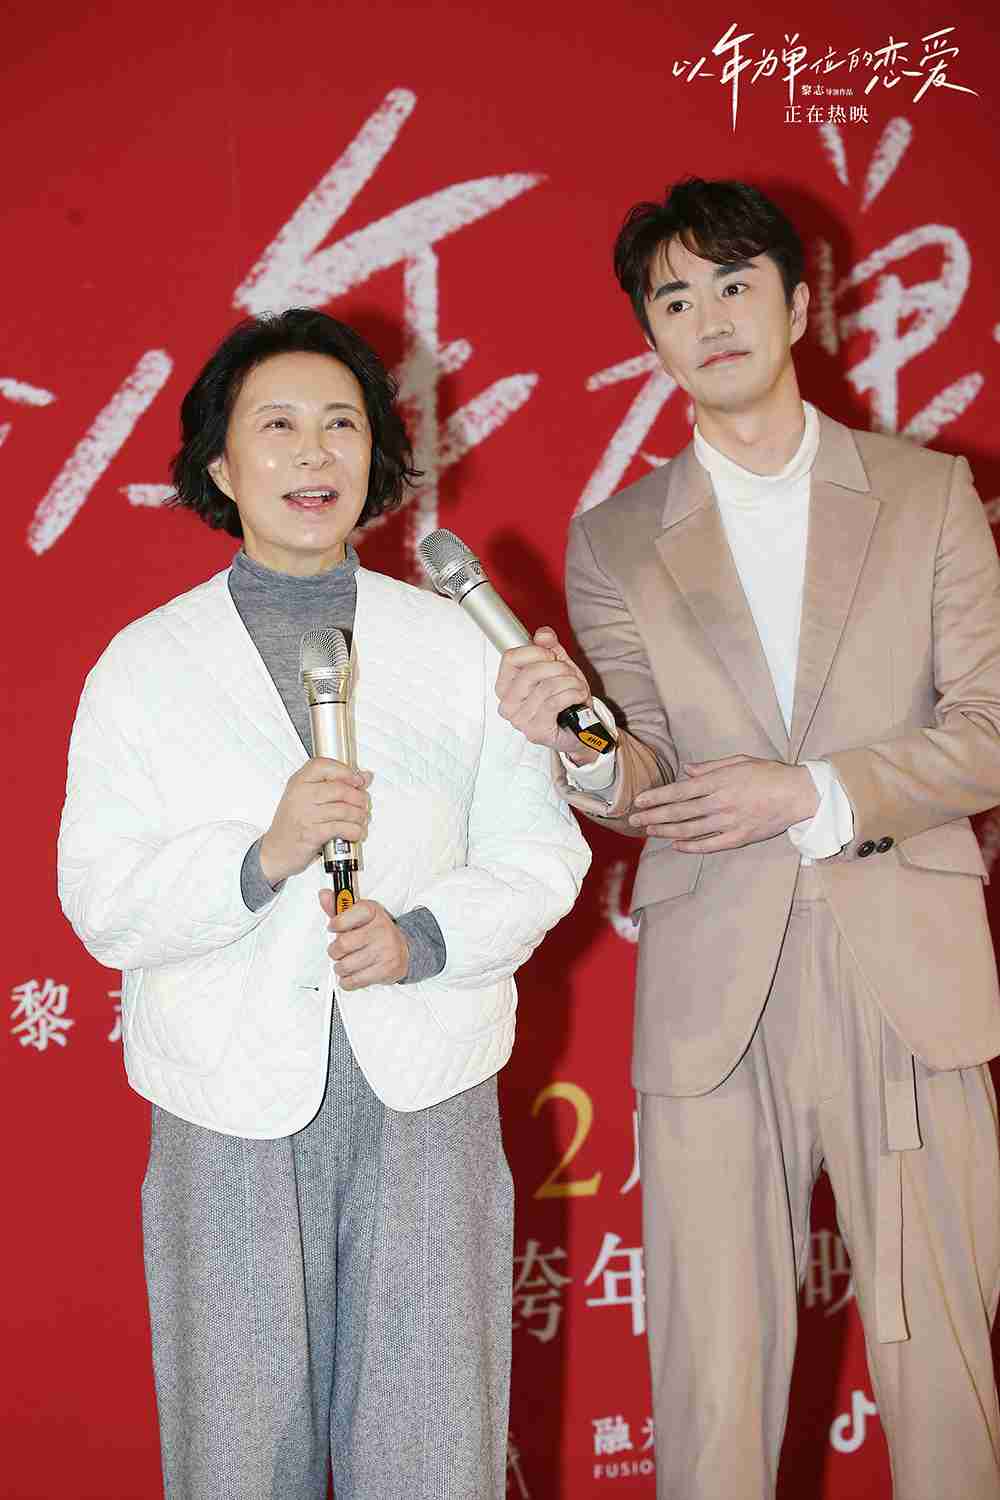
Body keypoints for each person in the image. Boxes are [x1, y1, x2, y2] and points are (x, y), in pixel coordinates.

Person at [496, 177, 1000, 1499]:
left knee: (940, 1368)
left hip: (907, 974)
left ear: (797, 302)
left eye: (733, 285)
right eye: (675, 300)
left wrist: (809, 792)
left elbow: (992, 730)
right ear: (649, 336)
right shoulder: (614, 540)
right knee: (711, 1380)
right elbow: (641, 773)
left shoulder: (928, 494)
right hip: (713, 982)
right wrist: (575, 738)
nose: (710, 318)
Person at [58, 308, 590, 1500]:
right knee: (239, 1456)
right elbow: (100, 896)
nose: (313, 453)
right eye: (278, 426)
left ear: (377, 457)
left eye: (341, 425)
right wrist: (263, 855)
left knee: (433, 1453)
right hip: (227, 1109)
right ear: (219, 465)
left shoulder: (458, 647)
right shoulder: (144, 666)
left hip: (426, 1095)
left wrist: (423, 940)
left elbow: (537, 852)